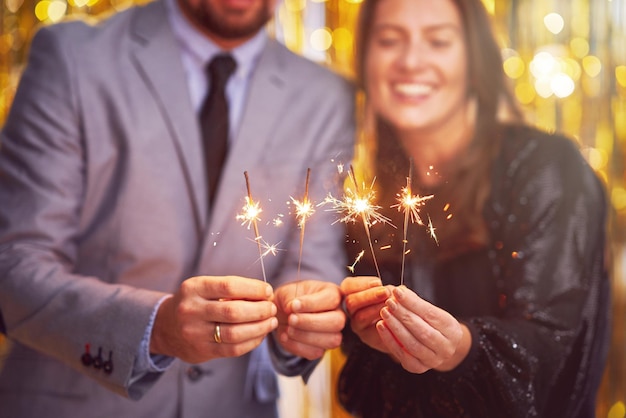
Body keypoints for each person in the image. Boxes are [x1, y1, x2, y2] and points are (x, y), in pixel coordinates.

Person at [0, 0, 354, 416]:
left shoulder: (326, 96)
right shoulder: (74, 58)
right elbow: (13, 269)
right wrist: (154, 328)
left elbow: (313, 264)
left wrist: (305, 316)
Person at [337, 0, 611, 417]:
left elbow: (557, 353)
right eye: (390, 40)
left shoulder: (547, 170)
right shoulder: (368, 202)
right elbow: (363, 390)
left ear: (474, 57)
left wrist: (461, 349)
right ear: (365, 58)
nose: (411, 61)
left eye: (438, 40)